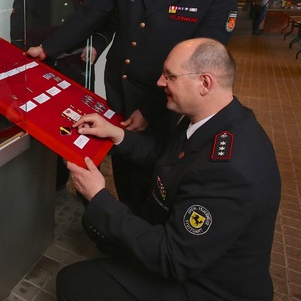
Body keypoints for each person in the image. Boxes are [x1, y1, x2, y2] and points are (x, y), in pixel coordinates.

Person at [26, 0, 242, 206]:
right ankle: (117, 223)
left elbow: (201, 61)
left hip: (165, 99)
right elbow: (94, 12)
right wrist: (48, 48)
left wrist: (152, 110)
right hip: (119, 87)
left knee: (151, 173)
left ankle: (142, 235)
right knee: (118, 159)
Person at [57, 38, 281, 301]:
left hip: (207, 285)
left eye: (170, 76)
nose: (160, 83)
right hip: (189, 252)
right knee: (100, 228)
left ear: (205, 83)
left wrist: (98, 195)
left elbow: (173, 258)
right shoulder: (218, 117)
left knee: (73, 282)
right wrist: (117, 134)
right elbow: (168, 156)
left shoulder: (228, 170)